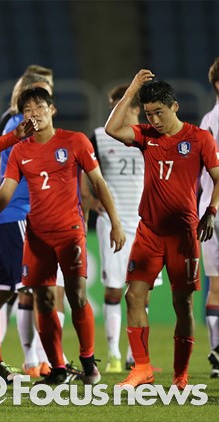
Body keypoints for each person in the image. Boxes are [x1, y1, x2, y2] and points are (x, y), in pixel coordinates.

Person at [0, 87, 125, 386]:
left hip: (70, 233)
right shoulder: (20, 150)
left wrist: (115, 222)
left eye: (39, 107)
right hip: (36, 237)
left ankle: (88, 360)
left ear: (52, 110)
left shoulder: (75, 141)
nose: (33, 114)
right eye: (27, 110)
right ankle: (57, 367)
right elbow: (6, 191)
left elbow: (98, 182)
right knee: (44, 299)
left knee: (76, 296)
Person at [106, 70, 219, 389]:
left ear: (175, 107)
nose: (154, 119)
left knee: (182, 304)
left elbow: (217, 177)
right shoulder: (146, 136)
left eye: (159, 112)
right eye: (149, 114)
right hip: (149, 232)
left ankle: (181, 374)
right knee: (133, 296)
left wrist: (211, 210)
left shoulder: (200, 138)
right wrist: (132, 90)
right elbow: (112, 128)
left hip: (183, 235)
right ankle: (142, 368)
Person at [0, 71, 61, 379]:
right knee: (34, 290)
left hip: (17, 217)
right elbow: (5, 180)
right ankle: (44, 361)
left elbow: (1, 178)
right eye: (33, 103)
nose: (38, 110)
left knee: (3, 292)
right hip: (19, 216)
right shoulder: (21, 129)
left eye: (43, 102)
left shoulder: (24, 129)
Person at [89, 85, 163, 373]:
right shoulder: (99, 137)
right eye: (112, 104)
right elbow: (85, 175)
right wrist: (91, 200)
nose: (115, 109)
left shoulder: (151, 137)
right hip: (114, 223)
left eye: (120, 103)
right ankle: (114, 355)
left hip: (147, 224)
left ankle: (136, 357)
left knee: (143, 293)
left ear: (135, 107)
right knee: (113, 289)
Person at [199, 58, 219, 378]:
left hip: (208, 210)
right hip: (213, 208)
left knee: (216, 284)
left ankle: (217, 350)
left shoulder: (206, 121)